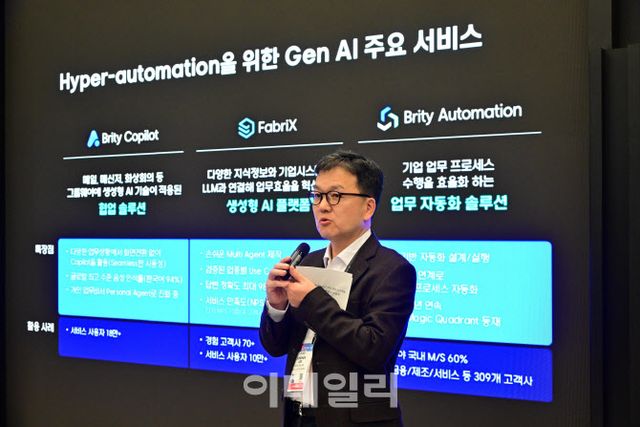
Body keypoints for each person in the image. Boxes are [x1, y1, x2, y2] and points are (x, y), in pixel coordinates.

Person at [259, 150, 417, 427]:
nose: (322, 206)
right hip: (299, 416)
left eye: (335, 195)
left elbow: (374, 349)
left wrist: (311, 300)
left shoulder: (393, 270)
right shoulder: (307, 263)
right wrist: (277, 306)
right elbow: (275, 347)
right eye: (317, 195)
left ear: (368, 207)